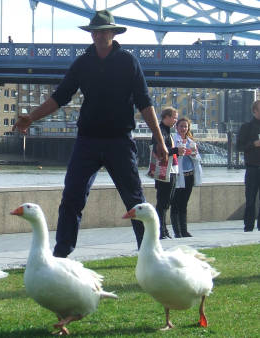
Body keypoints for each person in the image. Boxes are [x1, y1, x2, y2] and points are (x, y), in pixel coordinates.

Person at [12, 9, 168, 255]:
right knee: (71, 198)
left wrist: (160, 141)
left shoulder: (128, 62)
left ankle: (150, 254)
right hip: (88, 141)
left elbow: (145, 103)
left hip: (119, 141)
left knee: (134, 200)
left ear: (113, 34)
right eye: (95, 32)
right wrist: (30, 117)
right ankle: (61, 255)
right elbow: (60, 97)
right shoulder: (82, 63)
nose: (99, 36)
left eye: (104, 31)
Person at [151, 107, 184, 239]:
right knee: (163, 202)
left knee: (166, 202)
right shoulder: (160, 131)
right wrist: (176, 150)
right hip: (164, 171)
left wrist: (175, 150)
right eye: (174, 117)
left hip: (170, 170)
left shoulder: (166, 131)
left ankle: (163, 230)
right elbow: (158, 150)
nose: (176, 120)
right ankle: (161, 231)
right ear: (167, 117)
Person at [170, 117, 203, 237]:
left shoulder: (191, 141)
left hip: (189, 175)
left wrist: (193, 154)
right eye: (181, 126)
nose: (183, 128)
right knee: (175, 203)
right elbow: (171, 155)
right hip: (178, 175)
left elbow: (198, 159)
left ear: (188, 128)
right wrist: (179, 152)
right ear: (176, 127)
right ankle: (177, 232)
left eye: (185, 126)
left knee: (184, 203)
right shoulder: (173, 139)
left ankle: (184, 230)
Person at [237, 99, 260, 232]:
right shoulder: (247, 127)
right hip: (252, 168)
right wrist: (254, 144)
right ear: (255, 111)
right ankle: (249, 227)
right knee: (250, 200)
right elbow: (239, 146)